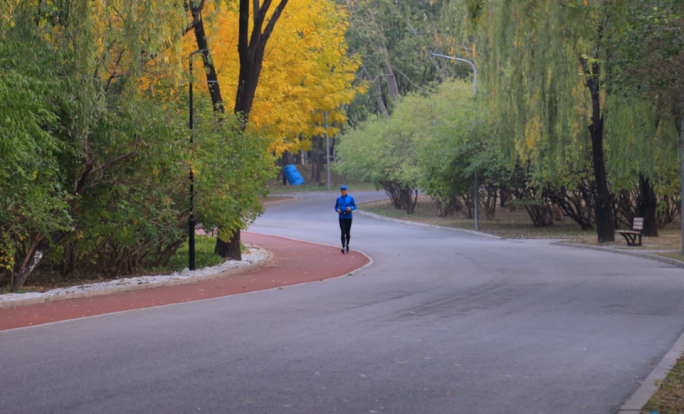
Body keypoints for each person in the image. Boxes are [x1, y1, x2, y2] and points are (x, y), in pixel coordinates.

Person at [335, 185, 356, 254]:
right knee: (343, 232)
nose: (343, 191)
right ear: (341, 191)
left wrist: (351, 208)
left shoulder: (350, 198)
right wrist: (337, 210)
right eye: (342, 190)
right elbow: (335, 207)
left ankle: (347, 245)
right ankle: (343, 246)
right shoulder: (338, 199)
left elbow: (355, 206)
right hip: (341, 217)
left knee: (347, 232)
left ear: (347, 191)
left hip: (348, 216)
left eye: (344, 190)